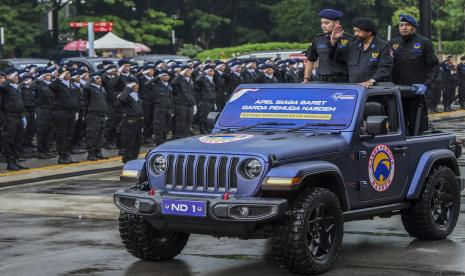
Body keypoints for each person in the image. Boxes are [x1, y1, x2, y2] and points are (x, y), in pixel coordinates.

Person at [388, 14, 440, 134]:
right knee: (396, 130)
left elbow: (434, 66)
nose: (404, 27)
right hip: (396, 95)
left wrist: (425, 84)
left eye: (407, 25)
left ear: (414, 27)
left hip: (415, 95)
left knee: (417, 128)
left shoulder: (424, 43)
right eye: (401, 25)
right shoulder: (392, 43)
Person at [330, 17, 393, 87]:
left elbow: (385, 69)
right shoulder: (352, 45)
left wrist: (371, 81)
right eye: (354, 31)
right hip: (355, 91)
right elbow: (337, 59)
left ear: (369, 32)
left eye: (358, 31)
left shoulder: (383, 46)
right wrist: (334, 42)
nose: (355, 34)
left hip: (374, 91)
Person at [303, 9, 351, 83]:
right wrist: (306, 79)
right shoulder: (318, 39)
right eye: (322, 23)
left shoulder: (349, 39)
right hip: (322, 81)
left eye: (326, 23)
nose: (323, 26)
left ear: (336, 23)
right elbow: (310, 60)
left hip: (342, 81)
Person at [0, 68, 28, 170]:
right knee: (9, 140)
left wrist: (23, 116)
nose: (17, 78)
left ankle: (16, 161)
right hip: (9, 117)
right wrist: (7, 79)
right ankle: (10, 162)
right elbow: (2, 86)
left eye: (17, 76)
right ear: (9, 77)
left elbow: (21, 104)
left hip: (19, 116)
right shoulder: (5, 88)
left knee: (18, 140)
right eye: (14, 76)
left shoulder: (17, 88)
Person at [50, 69, 80, 164]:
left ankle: (67, 154)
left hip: (71, 113)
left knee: (69, 134)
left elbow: (76, 97)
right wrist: (58, 79)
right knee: (62, 135)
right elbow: (51, 87)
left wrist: (77, 111)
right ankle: (62, 156)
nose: (69, 75)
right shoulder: (58, 84)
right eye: (66, 73)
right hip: (61, 113)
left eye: (69, 73)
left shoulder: (71, 84)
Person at [84, 72, 108, 161]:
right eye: (97, 78)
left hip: (102, 115)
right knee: (92, 135)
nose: (100, 80)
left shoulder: (101, 89)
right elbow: (86, 87)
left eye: (100, 78)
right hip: (93, 115)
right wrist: (90, 78)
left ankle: (98, 151)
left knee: (100, 135)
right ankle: (91, 154)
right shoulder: (90, 88)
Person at [117, 82, 144, 164]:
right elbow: (121, 100)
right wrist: (127, 88)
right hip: (129, 122)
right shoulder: (125, 96)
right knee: (129, 142)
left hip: (138, 121)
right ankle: (127, 160)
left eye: (137, 85)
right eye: (134, 86)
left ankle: (134, 159)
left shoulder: (137, 95)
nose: (137, 87)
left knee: (137, 143)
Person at [145, 70, 173, 145]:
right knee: (159, 126)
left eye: (167, 75)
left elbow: (171, 98)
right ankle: (159, 142)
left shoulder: (169, 85)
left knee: (166, 126)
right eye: (164, 75)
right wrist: (157, 77)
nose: (166, 77)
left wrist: (172, 110)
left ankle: (163, 140)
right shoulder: (157, 84)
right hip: (159, 108)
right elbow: (147, 84)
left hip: (168, 109)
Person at [33, 68, 55, 159]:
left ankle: (47, 150)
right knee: (41, 131)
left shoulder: (51, 85)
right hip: (42, 110)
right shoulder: (39, 85)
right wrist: (37, 79)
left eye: (49, 75)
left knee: (50, 131)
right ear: (42, 76)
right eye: (46, 75)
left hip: (51, 110)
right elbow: (33, 91)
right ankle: (41, 151)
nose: (49, 77)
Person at [171, 66, 196, 138]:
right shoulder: (179, 79)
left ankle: (186, 136)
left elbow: (192, 92)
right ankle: (179, 137)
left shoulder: (190, 79)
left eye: (190, 70)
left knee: (189, 121)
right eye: (187, 70)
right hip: (181, 104)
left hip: (190, 104)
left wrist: (194, 104)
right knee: (181, 122)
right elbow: (173, 83)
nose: (189, 72)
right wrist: (180, 74)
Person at [195, 65, 216, 134]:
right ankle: (202, 130)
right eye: (210, 71)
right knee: (203, 116)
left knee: (209, 116)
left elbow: (213, 91)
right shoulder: (203, 78)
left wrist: (214, 102)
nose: (213, 72)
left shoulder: (212, 79)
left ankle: (207, 129)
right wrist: (203, 73)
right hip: (205, 101)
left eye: (213, 71)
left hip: (211, 101)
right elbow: (197, 80)